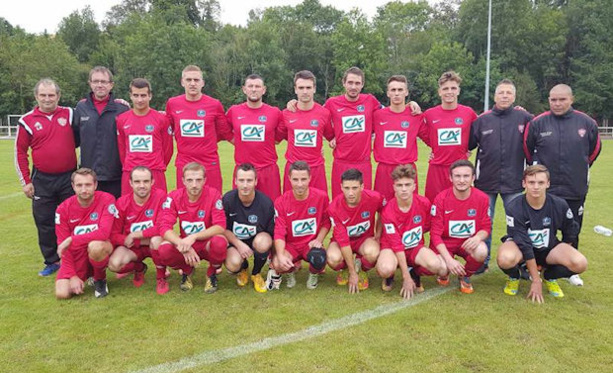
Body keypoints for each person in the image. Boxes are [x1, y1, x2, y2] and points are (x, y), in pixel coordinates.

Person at [524, 84, 601, 286]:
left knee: (572, 229)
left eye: (562, 100)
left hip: (573, 188)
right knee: (537, 229)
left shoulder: (587, 123)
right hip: (543, 190)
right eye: (553, 99)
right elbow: (528, 150)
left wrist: (578, 168)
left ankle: (567, 271)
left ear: (571, 99)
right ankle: (534, 265)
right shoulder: (538, 123)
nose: (557, 104)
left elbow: (593, 152)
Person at [469, 79, 533, 273]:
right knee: (484, 223)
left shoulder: (525, 118)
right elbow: (468, 146)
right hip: (485, 182)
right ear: (494, 96)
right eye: (501, 93)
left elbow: (537, 140)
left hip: (514, 182)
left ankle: (520, 262)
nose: (505, 96)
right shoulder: (482, 120)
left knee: (518, 224)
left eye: (509, 93)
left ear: (514, 97)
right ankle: (482, 261)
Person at [15, 78, 77, 276]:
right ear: (36, 96)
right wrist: (26, 182)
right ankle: (52, 261)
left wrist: (119, 102)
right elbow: (20, 152)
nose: (48, 99)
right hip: (42, 180)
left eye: (51, 95)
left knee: (73, 219)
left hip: (69, 178)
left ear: (58, 96)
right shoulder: (27, 120)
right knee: (45, 221)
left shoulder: (69, 113)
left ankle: (75, 259)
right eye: (43, 95)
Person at [497, 165, 586, 302]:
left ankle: (549, 276)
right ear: (524, 183)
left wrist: (563, 251)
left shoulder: (559, 204)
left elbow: (570, 230)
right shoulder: (514, 206)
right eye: (531, 182)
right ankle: (515, 276)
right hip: (520, 249)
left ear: (548, 184)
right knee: (505, 258)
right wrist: (535, 280)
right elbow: (524, 244)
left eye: (541, 182)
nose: (536, 187)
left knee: (580, 263)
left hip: (547, 249)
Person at [376, 165, 448, 298]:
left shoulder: (424, 203)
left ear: (414, 186)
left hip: (414, 247)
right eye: (399, 185)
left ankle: (415, 271)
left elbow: (428, 225)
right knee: (385, 269)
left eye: (407, 185)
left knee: (437, 266)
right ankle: (392, 275)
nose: (404, 189)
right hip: (392, 248)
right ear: (394, 187)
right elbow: (397, 245)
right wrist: (405, 277)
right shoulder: (388, 211)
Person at [157, 162, 228, 293]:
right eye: (190, 180)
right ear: (183, 180)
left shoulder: (214, 194)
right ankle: (187, 271)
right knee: (164, 249)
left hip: (206, 243)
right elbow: (164, 227)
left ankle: (211, 273)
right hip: (186, 244)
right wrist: (182, 244)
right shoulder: (174, 196)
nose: (194, 185)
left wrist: (194, 236)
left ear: (205, 180)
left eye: (198, 180)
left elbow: (220, 226)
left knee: (220, 242)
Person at [165, 65, 232, 192]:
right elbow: (168, 129)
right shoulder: (173, 104)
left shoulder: (214, 104)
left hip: (209, 162)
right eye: (188, 80)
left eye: (196, 80)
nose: (192, 84)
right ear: (182, 82)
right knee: (185, 202)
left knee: (213, 200)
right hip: (184, 161)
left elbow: (223, 132)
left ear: (202, 83)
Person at [430, 160, 490, 294]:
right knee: (443, 267)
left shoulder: (482, 198)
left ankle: (465, 275)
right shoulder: (441, 199)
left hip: (466, 243)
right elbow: (435, 234)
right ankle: (444, 272)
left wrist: (478, 237)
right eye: (457, 176)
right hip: (446, 243)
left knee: (481, 250)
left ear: (473, 178)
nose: (462, 180)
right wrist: (449, 260)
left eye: (466, 176)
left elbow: (486, 227)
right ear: (450, 178)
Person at [55, 168, 116, 299]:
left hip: (99, 249)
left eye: (88, 185)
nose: (84, 189)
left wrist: (72, 239)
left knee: (96, 246)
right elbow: (63, 246)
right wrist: (72, 276)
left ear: (95, 185)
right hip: (77, 255)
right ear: (73, 186)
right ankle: (85, 274)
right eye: (79, 185)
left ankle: (99, 279)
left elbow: (104, 233)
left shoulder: (107, 199)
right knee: (62, 293)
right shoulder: (62, 209)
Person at [268, 161, 330, 290]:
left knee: (319, 258)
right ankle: (289, 272)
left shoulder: (321, 197)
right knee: (278, 263)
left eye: (303, 179)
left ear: (310, 178)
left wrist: (319, 240)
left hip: (310, 244)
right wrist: (280, 255)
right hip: (291, 246)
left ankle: (313, 274)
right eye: (295, 179)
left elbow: (326, 222)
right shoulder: (281, 202)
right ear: (289, 178)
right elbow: (279, 232)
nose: (300, 184)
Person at [323, 67, 382, 198]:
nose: (353, 87)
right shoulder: (332, 103)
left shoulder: (370, 101)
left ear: (362, 85)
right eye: (350, 83)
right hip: (341, 162)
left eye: (357, 83)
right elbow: (316, 117)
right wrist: (331, 137)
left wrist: (409, 105)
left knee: (364, 202)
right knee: (340, 203)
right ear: (343, 83)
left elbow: (389, 113)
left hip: (363, 163)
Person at [108, 166, 168, 294]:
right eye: (137, 182)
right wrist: (130, 240)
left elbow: (163, 227)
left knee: (158, 240)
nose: (142, 185)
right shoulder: (122, 203)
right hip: (133, 247)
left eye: (146, 181)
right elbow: (113, 234)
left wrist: (137, 235)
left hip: (153, 243)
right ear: (130, 183)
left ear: (152, 182)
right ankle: (139, 268)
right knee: (114, 264)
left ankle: (161, 277)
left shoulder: (161, 196)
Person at [74, 66, 130, 199]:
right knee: (90, 217)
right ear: (90, 83)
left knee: (115, 215)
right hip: (88, 177)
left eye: (104, 82)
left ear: (111, 85)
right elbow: (75, 139)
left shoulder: (122, 108)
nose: (100, 85)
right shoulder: (81, 107)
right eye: (96, 81)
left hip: (115, 175)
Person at [226, 74, 284, 200]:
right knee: (240, 210)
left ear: (264, 89)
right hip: (243, 170)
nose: (253, 89)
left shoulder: (275, 112)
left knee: (271, 209)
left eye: (257, 86)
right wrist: (236, 141)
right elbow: (224, 130)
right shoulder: (234, 111)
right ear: (244, 89)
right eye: (250, 86)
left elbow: (279, 137)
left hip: (268, 170)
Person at [326, 169, 384, 293]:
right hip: (342, 242)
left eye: (354, 188)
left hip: (364, 240)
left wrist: (378, 235)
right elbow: (344, 242)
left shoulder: (374, 197)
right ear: (341, 187)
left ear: (362, 186)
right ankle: (348, 269)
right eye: (346, 188)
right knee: (332, 258)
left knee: (373, 252)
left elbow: (384, 211)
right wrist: (352, 273)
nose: (350, 193)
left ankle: (361, 269)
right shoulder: (334, 207)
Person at [423, 71, 477, 203]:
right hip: (437, 169)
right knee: (434, 206)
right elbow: (420, 132)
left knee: (460, 205)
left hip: (460, 169)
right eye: (445, 88)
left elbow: (484, 127)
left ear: (458, 91)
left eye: (453, 88)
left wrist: (468, 148)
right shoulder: (429, 114)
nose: (449, 92)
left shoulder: (468, 113)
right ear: (439, 91)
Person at [373, 75, 427, 201]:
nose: (396, 93)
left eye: (400, 90)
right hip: (384, 170)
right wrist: (335, 138)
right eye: (393, 90)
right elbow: (361, 133)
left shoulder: (415, 115)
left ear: (406, 92)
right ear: (388, 93)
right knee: (382, 209)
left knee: (408, 209)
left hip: (407, 169)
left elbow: (432, 139)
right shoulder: (378, 115)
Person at [223, 163, 275, 293]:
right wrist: (238, 244)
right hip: (235, 242)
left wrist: (275, 257)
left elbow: (271, 233)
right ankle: (243, 268)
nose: (245, 185)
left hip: (256, 240)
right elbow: (221, 228)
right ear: (235, 181)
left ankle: (256, 273)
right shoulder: (227, 200)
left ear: (256, 181)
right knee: (233, 264)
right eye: (241, 180)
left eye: (249, 180)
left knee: (264, 242)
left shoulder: (266, 203)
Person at [279, 70, 334, 194]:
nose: (305, 91)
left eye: (308, 87)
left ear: (314, 89)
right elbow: (277, 138)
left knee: (320, 207)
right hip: (293, 169)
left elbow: (332, 137)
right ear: (295, 89)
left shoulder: (324, 113)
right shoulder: (286, 113)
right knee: (291, 207)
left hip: (316, 169)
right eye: (301, 87)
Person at [116, 78, 173, 195]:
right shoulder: (122, 119)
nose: (139, 99)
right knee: (129, 210)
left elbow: (167, 149)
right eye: (136, 95)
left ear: (150, 96)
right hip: (130, 172)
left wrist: (156, 165)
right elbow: (122, 149)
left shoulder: (161, 119)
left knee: (158, 209)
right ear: (130, 96)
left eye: (143, 95)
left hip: (155, 172)